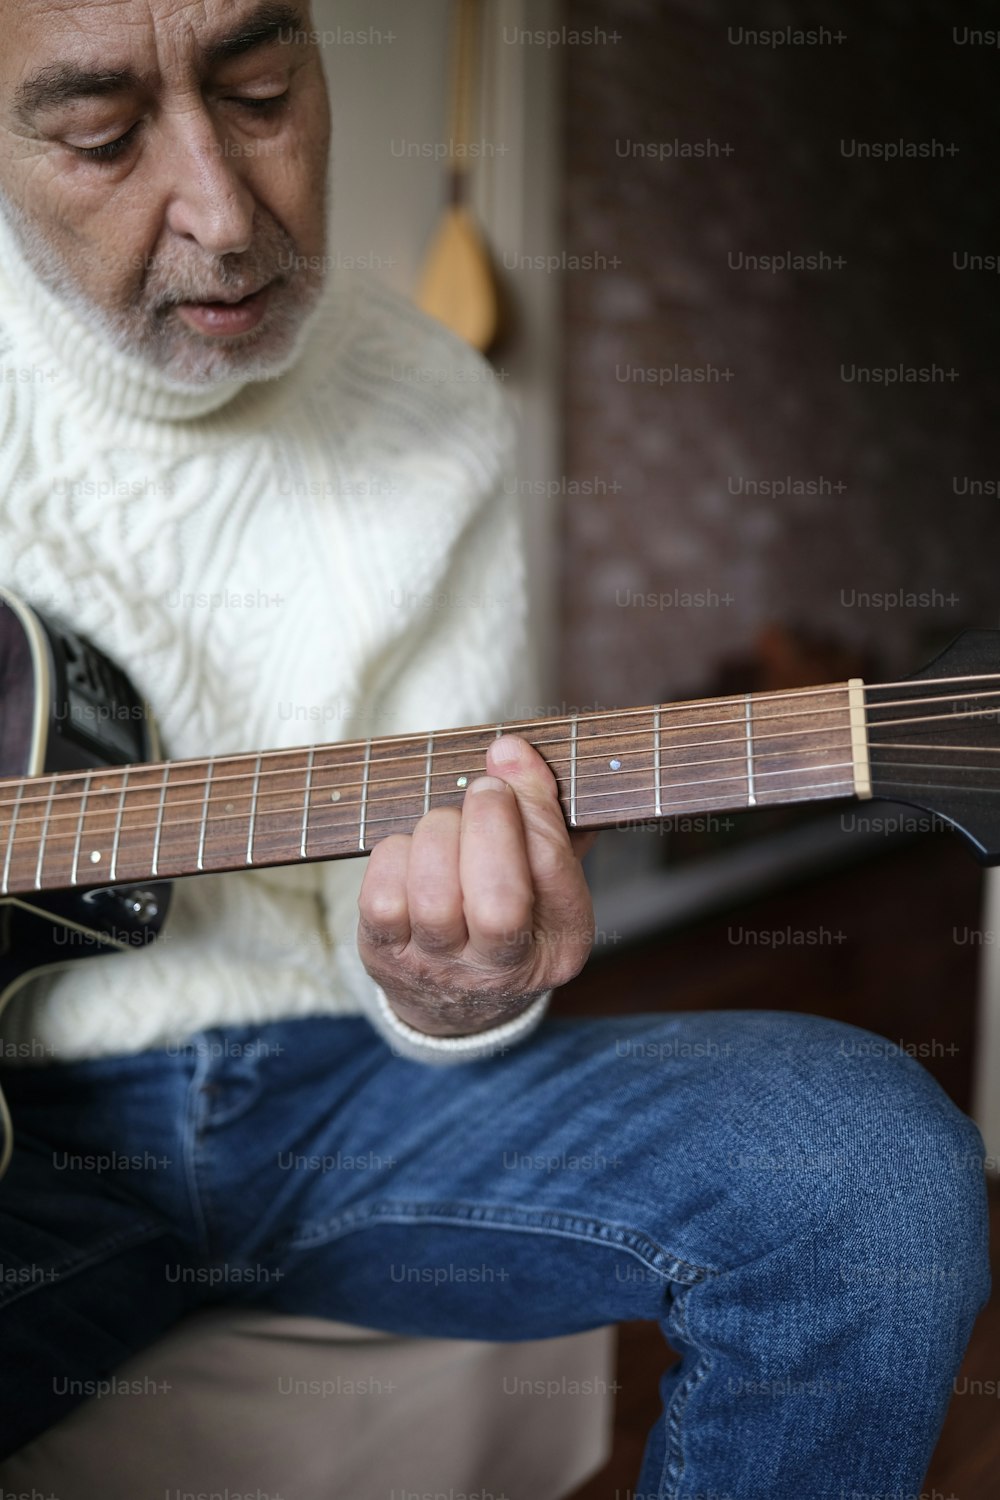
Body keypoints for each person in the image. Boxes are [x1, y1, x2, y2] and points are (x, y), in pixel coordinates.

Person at [0, 3, 989, 1495]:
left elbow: (411, 945)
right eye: (101, 135)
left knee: (867, 1171)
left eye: (263, 92)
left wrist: (451, 987)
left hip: (334, 1098)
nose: (220, 206)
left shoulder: (435, 410)